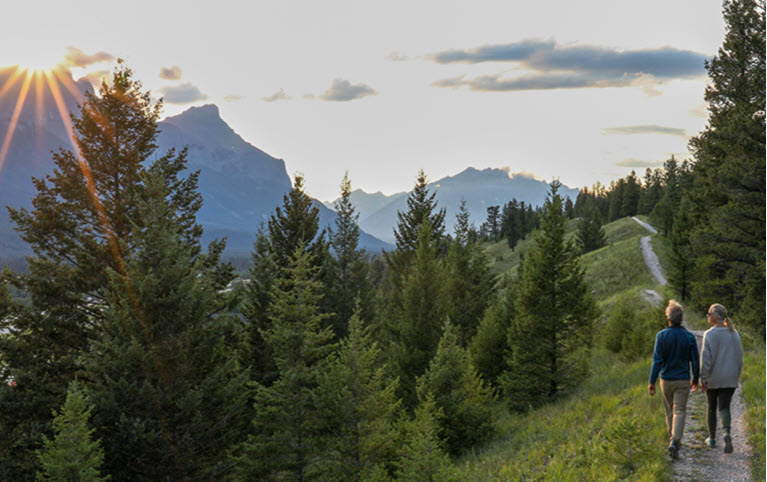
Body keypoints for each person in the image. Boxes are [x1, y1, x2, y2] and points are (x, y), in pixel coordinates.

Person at [648, 299, 699, 460]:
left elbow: (657, 361)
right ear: (681, 319)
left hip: (666, 379)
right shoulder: (689, 337)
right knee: (680, 411)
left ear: (668, 319)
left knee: (669, 411)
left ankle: (673, 440)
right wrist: (695, 379)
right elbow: (695, 360)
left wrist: (652, 381)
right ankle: (675, 441)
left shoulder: (661, 336)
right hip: (683, 379)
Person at [700, 303, 743, 454]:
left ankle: (712, 439)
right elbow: (739, 357)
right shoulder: (734, 333)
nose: (707, 316)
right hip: (730, 377)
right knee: (724, 407)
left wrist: (703, 378)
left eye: (709, 313)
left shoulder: (709, 334)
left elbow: (706, 359)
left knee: (712, 408)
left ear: (715, 316)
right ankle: (727, 434)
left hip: (714, 377)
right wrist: (736, 374)